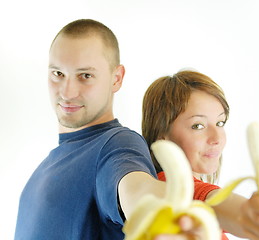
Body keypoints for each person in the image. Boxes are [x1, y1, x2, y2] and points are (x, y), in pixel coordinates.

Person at [14, 19, 206, 240]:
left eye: (85, 76)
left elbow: (135, 188)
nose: (67, 92)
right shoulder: (46, 166)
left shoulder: (117, 143)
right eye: (58, 74)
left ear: (116, 78)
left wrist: (162, 215)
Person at [142, 70, 259, 240]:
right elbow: (206, 199)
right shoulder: (168, 188)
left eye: (220, 123)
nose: (217, 138)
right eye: (198, 126)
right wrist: (248, 216)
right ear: (162, 135)